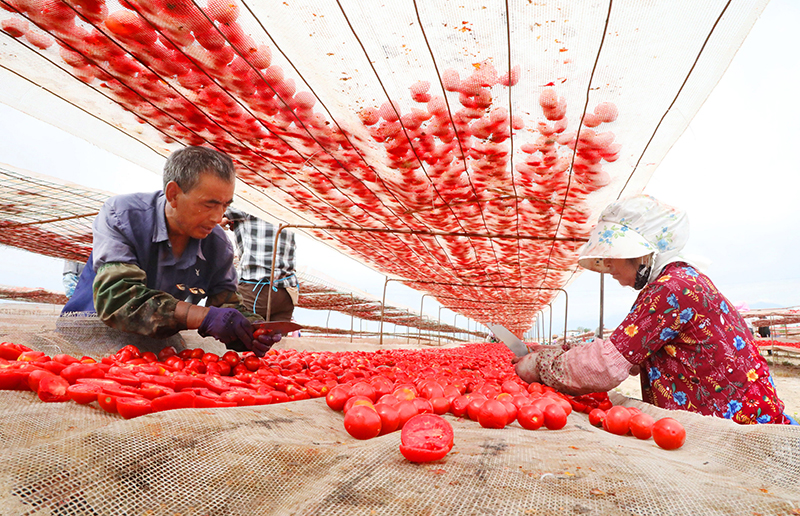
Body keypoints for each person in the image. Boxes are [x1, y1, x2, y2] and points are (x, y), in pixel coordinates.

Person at [515, 195, 795, 425]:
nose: (608, 266)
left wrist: (539, 367)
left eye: (613, 257)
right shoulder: (681, 280)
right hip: (740, 414)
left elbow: (606, 367)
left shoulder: (670, 290)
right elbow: (630, 349)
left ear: (642, 253)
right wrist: (561, 352)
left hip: (735, 425)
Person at [61, 146, 279, 356]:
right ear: (173, 194)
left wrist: (251, 330)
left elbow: (227, 305)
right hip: (90, 338)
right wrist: (203, 316)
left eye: (224, 205)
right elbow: (118, 299)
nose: (217, 217)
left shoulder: (218, 245)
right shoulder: (123, 215)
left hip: (157, 348)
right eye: (208, 204)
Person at [221, 207, 298, 322]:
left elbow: (215, 219)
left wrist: (226, 223)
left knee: (228, 321)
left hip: (257, 289)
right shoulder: (287, 207)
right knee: (272, 336)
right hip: (287, 291)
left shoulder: (246, 204)